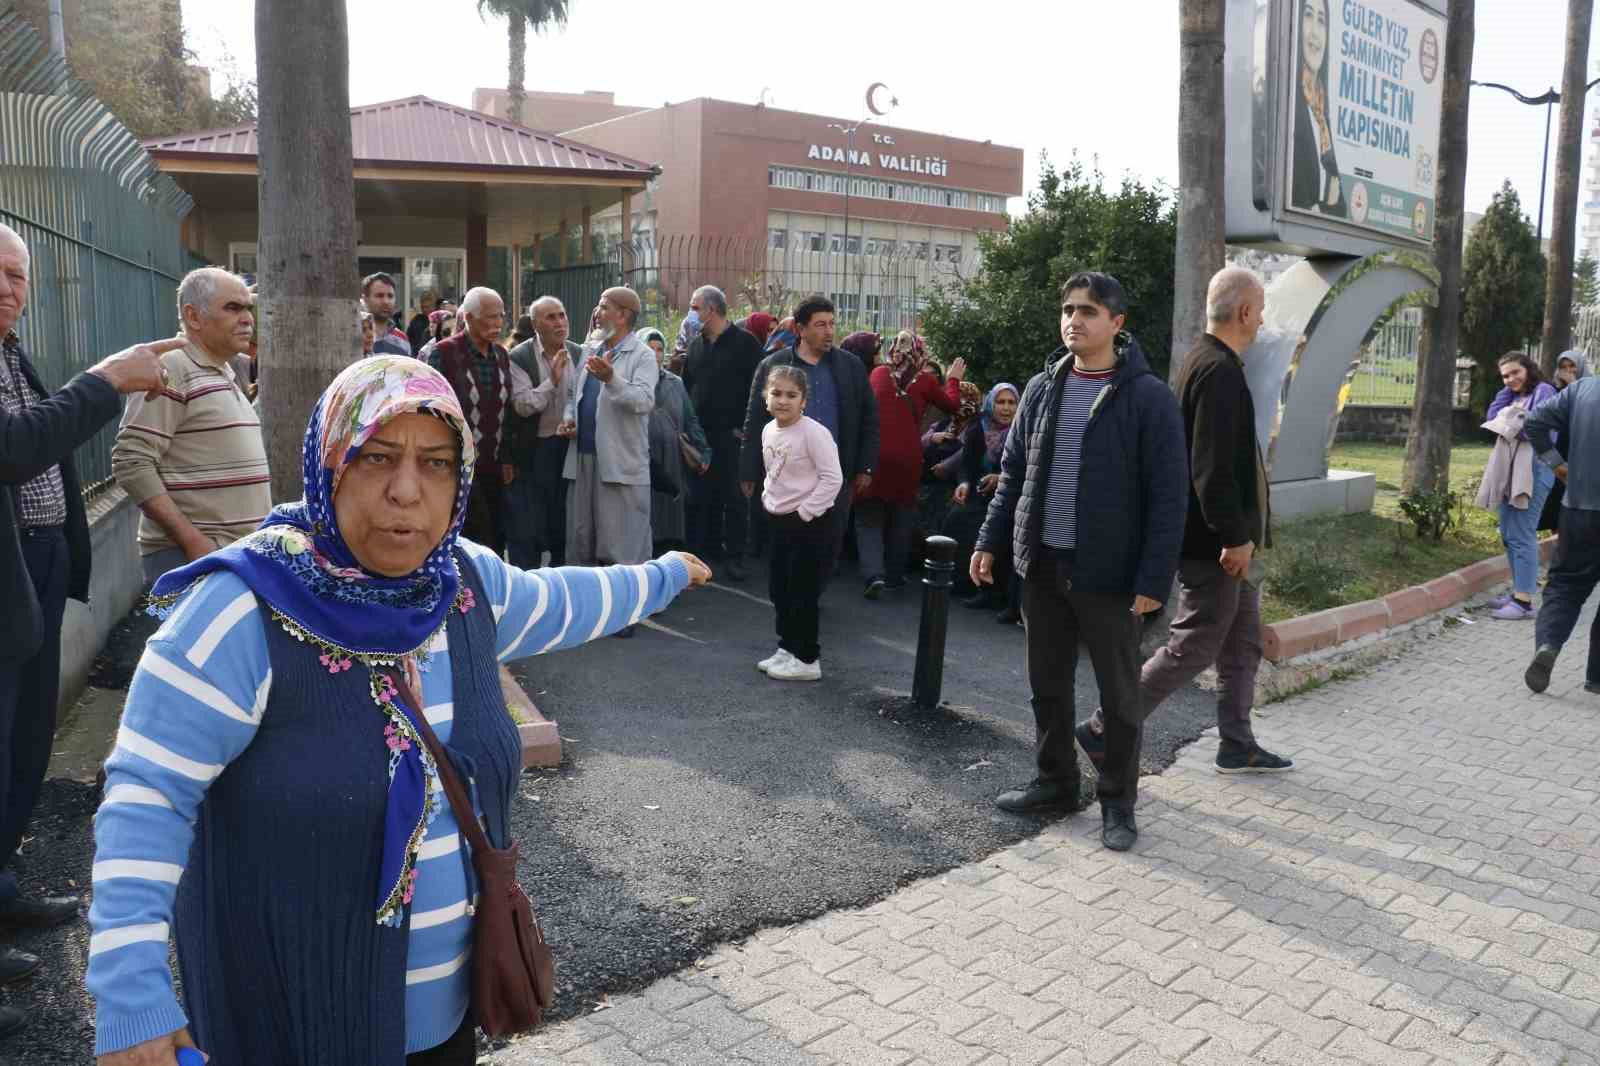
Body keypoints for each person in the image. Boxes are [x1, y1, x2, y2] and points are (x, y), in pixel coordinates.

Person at [84, 354, 710, 1066]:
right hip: (292, 1022)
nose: (408, 491)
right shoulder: (239, 612)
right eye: (377, 457)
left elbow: (563, 601)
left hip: (441, 1022)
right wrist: (130, 993)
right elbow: (148, 797)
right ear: (329, 463)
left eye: (438, 463)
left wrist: (662, 575)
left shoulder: (461, 585)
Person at [0, 223, 170, 1041]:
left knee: (26, 750)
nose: (8, 287)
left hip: (28, 583)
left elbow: (46, 442)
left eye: (17, 275)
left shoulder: (14, 356)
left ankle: (3, 894)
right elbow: (16, 446)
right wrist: (103, 382)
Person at [971, 272, 1186, 853]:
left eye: (1088, 311)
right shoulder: (1042, 389)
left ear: (1116, 324)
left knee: (1118, 696)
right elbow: (1014, 471)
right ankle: (1056, 782)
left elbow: (1169, 496)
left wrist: (1152, 580)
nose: (1074, 320)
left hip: (1110, 576)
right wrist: (990, 540)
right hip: (1042, 566)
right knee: (1047, 684)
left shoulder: (1147, 398)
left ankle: (1118, 802)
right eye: (1068, 309)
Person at [1078, 269, 1293, 834]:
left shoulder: (1209, 361)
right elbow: (1211, 468)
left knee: (1242, 642)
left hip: (1222, 541)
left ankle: (1237, 743)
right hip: (1215, 545)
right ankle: (1104, 728)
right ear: (1244, 312)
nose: (1265, 318)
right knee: (1193, 646)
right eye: (1261, 307)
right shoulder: (1218, 370)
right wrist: (1234, 537)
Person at [112, 267, 271, 586]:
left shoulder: (221, 369)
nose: (247, 319)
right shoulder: (171, 366)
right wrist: (193, 542)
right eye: (232, 308)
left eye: (247, 308)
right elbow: (131, 462)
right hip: (196, 559)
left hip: (231, 558)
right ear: (193, 316)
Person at [740, 296, 879, 588]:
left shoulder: (850, 367)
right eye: (820, 325)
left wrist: (865, 466)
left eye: (832, 324)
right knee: (786, 546)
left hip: (834, 474)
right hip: (787, 475)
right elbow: (754, 420)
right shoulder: (774, 365)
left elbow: (869, 418)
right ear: (801, 329)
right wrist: (748, 470)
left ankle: (811, 594)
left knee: (827, 544)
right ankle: (793, 599)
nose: (829, 331)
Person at [560, 287, 658, 639]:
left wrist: (611, 378)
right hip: (584, 457)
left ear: (623, 314)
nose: (597, 312)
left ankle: (625, 614)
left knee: (623, 542)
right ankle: (588, 613)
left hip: (620, 462)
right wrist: (570, 418)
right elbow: (574, 395)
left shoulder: (642, 355)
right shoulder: (591, 348)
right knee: (583, 536)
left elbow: (644, 401)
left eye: (604, 307)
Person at [857, 331, 965, 598]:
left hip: (876, 455)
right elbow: (952, 404)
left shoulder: (878, 375)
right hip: (908, 459)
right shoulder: (926, 381)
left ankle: (873, 574)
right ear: (918, 352)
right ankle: (895, 577)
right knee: (901, 517)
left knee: (868, 518)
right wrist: (953, 379)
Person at [758, 365, 843, 683]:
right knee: (779, 588)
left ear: (804, 400)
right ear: (766, 396)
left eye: (791, 395)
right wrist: (768, 500)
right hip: (779, 520)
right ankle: (787, 647)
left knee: (802, 591)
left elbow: (833, 479)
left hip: (810, 523)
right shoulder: (768, 430)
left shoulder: (814, 433)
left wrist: (805, 512)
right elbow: (773, 472)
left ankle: (807, 658)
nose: (783, 400)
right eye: (776, 393)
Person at [1524, 361, 1600, 694]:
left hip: (1580, 508)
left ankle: (1549, 646)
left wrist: (1557, 465)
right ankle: (1596, 678)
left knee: (1566, 585)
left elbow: (1535, 421)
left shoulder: (1582, 389)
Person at [681, 286, 764, 581]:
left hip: (734, 436)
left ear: (711, 310)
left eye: (695, 307)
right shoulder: (696, 345)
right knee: (704, 496)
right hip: (702, 436)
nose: (691, 313)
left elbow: (759, 390)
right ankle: (708, 551)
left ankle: (735, 557)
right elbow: (688, 386)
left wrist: (747, 430)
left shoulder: (746, 344)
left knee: (736, 496)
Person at [427, 287, 515, 555]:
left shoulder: (501, 356)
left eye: (500, 316)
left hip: (494, 467)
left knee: (496, 539)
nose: (497, 323)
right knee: (466, 539)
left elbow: (508, 410)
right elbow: (434, 408)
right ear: (468, 317)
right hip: (458, 465)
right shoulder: (444, 353)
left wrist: (508, 458)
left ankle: (491, 594)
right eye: (489, 317)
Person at [1477, 352, 1558, 620]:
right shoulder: (1512, 395)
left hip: (1534, 470)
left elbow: (1535, 428)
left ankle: (1524, 603)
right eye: (1505, 375)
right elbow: (1491, 418)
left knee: (1522, 533)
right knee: (1508, 534)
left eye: (1515, 373)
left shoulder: (1545, 390)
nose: (1511, 379)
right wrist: (1507, 393)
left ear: (1529, 369)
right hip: (1510, 470)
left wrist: (1508, 422)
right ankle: (1517, 593)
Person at [504, 297, 580, 569]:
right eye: (551, 317)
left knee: (562, 522)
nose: (559, 322)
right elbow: (524, 406)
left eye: (562, 315)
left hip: (568, 448)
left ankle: (560, 586)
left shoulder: (578, 353)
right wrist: (552, 381)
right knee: (529, 527)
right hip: (534, 451)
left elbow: (579, 400)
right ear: (536, 324)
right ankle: (527, 588)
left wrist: (573, 421)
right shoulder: (520, 357)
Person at [952, 383, 1021, 619]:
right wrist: (964, 484)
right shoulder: (977, 429)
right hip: (981, 495)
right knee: (959, 519)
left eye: (1011, 403)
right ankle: (976, 585)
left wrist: (1001, 478)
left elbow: (1026, 469)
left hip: (1013, 497)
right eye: (1001, 402)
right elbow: (967, 466)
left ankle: (1003, 596)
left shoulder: (1022, 431)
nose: (1006, 408)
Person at [640, 328, 710, 552]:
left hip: (673, 459)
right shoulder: (632, 381)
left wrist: (703, 451)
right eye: (649, 349)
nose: (655, 354)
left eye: (659, 349)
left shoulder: (675, 383)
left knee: (671, 518)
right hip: (643, 460)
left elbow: (691, 419)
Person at [1291, 0, 1344, 217]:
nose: (1315, 33)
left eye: (1321, 21)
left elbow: (1343, 207)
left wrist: (1324, 206)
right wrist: (1326, 206)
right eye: (1308, 15)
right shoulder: (1290, 105)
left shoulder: (1328, 114)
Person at [1539, 350, 1585, 532]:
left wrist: (1574, 385)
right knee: (1556, 500)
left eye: (1572, 365)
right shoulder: (1553, 391)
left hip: (1582, 450)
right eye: (1563, 367)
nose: (1568, 370)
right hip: (1558, 450)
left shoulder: (1590, 390)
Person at [363, 272, 413, 356]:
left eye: (390, 296)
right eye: (379, 295)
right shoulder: (356, 336)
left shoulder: (402, 339)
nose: (386, 302)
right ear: (365, 299)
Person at [406, 290, 438, 355]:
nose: (424, 310)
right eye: (422, 307)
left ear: (434, 306)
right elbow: (408, 340)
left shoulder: (439, 321)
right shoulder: (416, 321)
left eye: (427, 307)